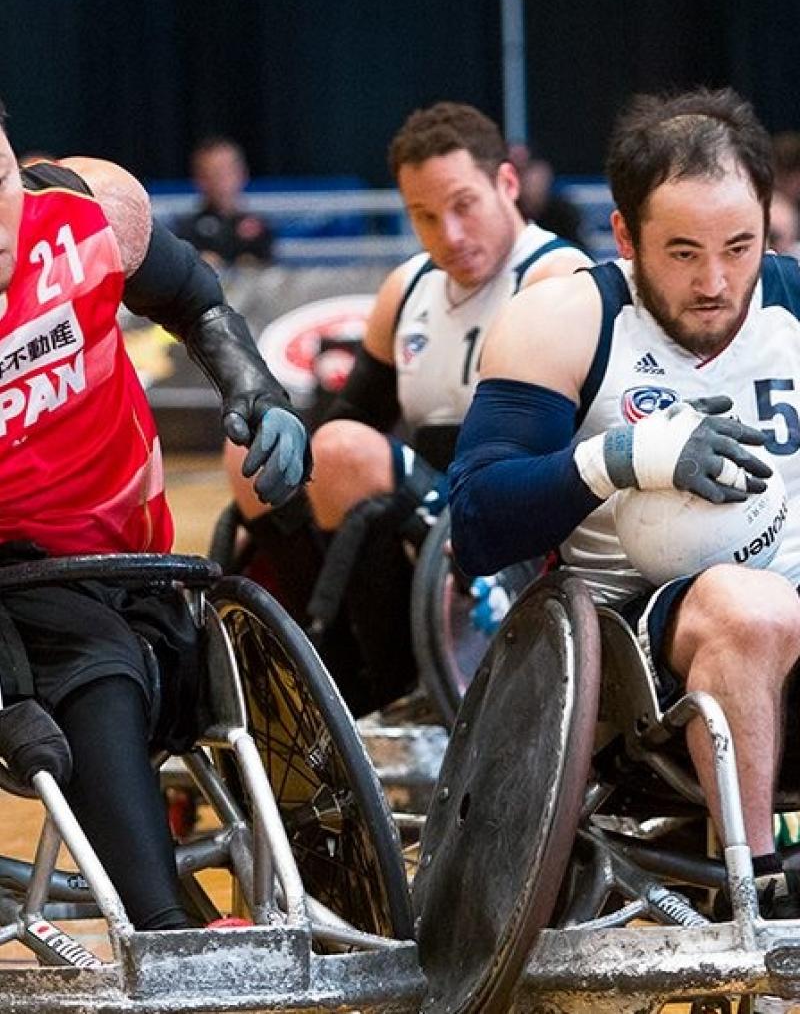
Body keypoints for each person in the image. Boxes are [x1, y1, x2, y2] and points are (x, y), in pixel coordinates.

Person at [449, 86, 800, 919]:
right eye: (681, 253)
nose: (716, 282)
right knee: (745, 608)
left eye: (739, 246)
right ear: (623, 235)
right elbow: (474, 524)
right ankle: (760, 893)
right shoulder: (567, 321)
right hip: (636, 659)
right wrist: (622, 458)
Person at [0, 102, 310, 932]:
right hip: (19, 591)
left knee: (239, 660)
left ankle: (326, 886)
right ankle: (167, 927)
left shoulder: (80, 217)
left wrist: (255, 388)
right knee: (97, 665)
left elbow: (196, 299)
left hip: (141, 565)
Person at [225, 101, 592, 714]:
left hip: (518, 502)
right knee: (253, 458)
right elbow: (344, 418)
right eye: (424, 216)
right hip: (420, 499)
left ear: (506, 183)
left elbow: (565, 436)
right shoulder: (409, 287)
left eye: (463, 206)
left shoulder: (557, 274)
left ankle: (384, 688)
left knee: (345, 454)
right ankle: (333, 671)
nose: (448, 234)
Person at [174, 136, 273, 269]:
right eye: (211, 174)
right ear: (198, 179)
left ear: (242, 174)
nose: (219, 182)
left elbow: (266, 267)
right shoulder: (185, 231)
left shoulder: (259, 228)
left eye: (225, 172)